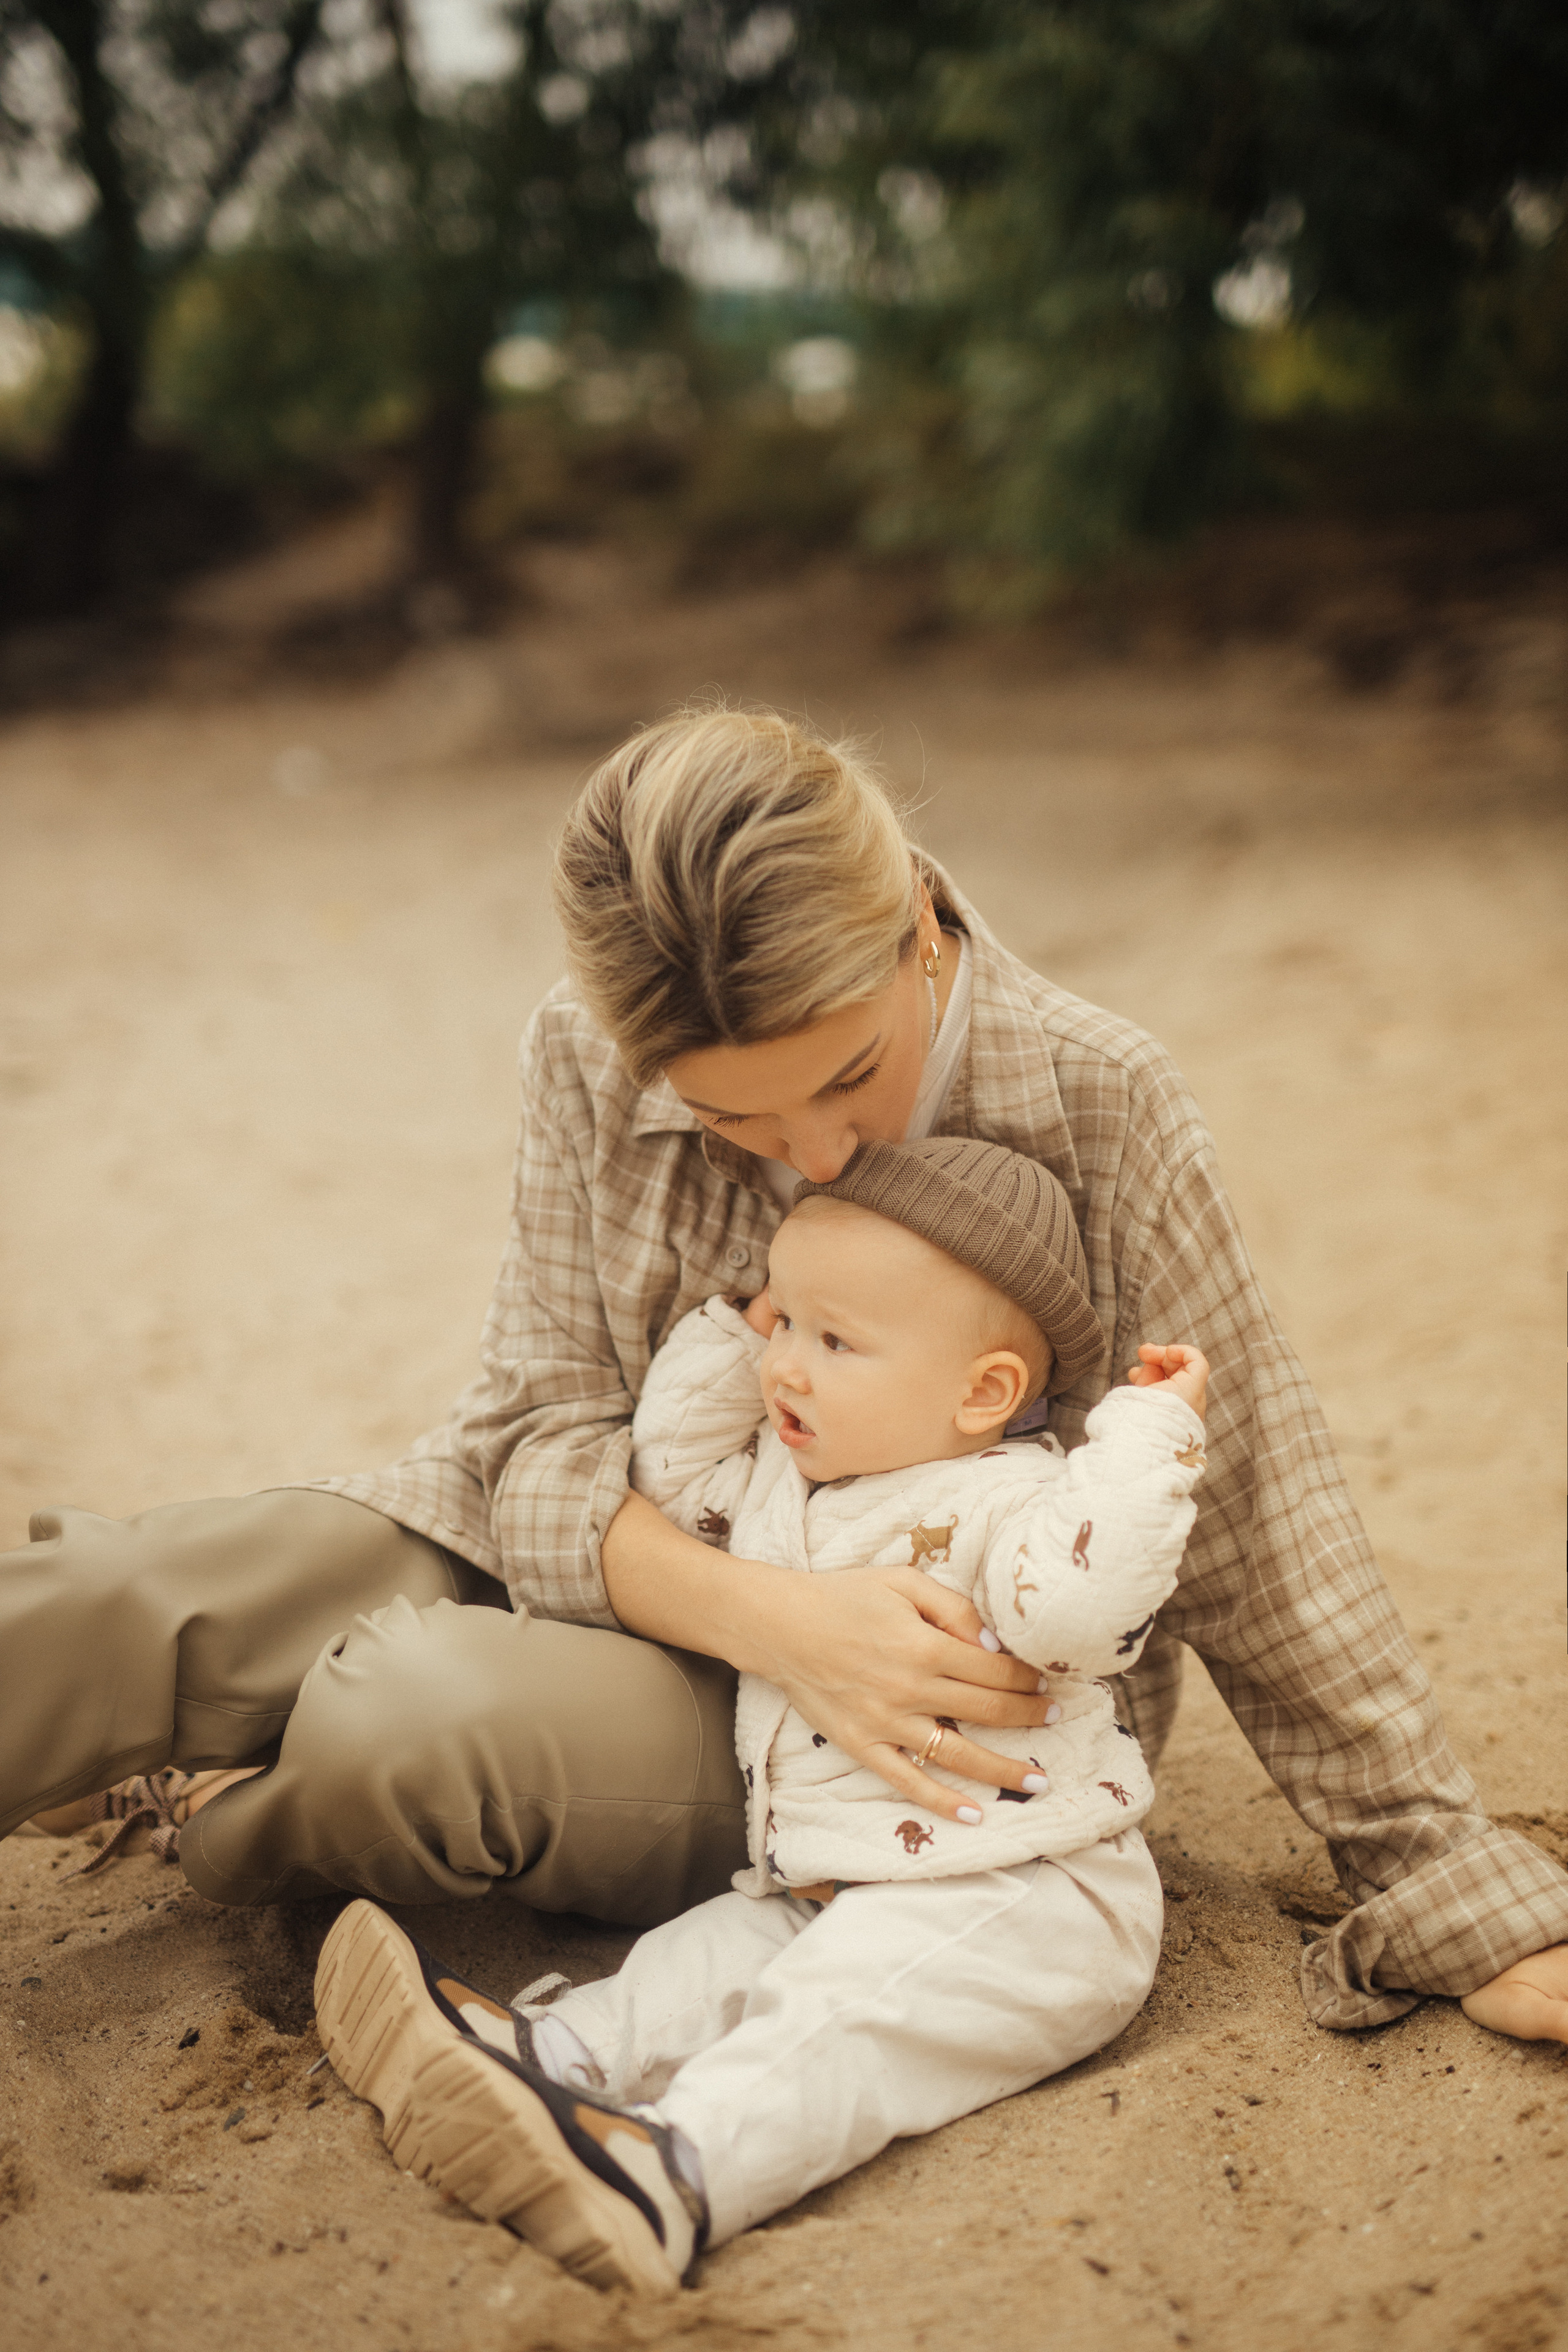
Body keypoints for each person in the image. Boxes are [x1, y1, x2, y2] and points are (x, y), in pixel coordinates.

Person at [3, 708, 1564, 2046]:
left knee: (404, 1718)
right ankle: (180, 1716)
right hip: (645, 1557)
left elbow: (1250, 1512)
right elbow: (530, 1437)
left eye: (844, 1081)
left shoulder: (1101, 1096)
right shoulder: (583, 1054)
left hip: (873, 1717)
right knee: (129, 1597)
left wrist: (1434, 1881)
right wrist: (775, 1615)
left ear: (918, 930)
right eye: (735, 1123)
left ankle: (218, 1801)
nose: (811, 1159)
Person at [311, 1135, 1214, 2292]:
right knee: (699, 1964)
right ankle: (552, 2055)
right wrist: (734, 1333)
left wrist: (1145, 1439)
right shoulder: (786, 1486)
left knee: (837, 2021)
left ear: (983, 1392)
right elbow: (669, 1474)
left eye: (835, 1341)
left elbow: (1087, 1610)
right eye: (784, 1323)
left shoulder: (1016, 1500)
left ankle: (676, 2174)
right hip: (840, 1878)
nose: (787, 1366)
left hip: (1032, 1893)